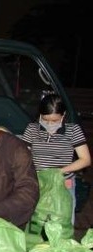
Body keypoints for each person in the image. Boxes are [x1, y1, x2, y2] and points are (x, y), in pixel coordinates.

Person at [21, 93, 90, 221]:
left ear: (63, 115)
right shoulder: (32, 129)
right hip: (38, 184)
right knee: (36, 223)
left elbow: (85, 160)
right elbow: (23, 155)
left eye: (54, 121)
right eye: (45, 119)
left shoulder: (73, 130)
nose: (49, 124)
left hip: (63, 184)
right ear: (40, 115)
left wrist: (58, 171)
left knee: (63, 223)